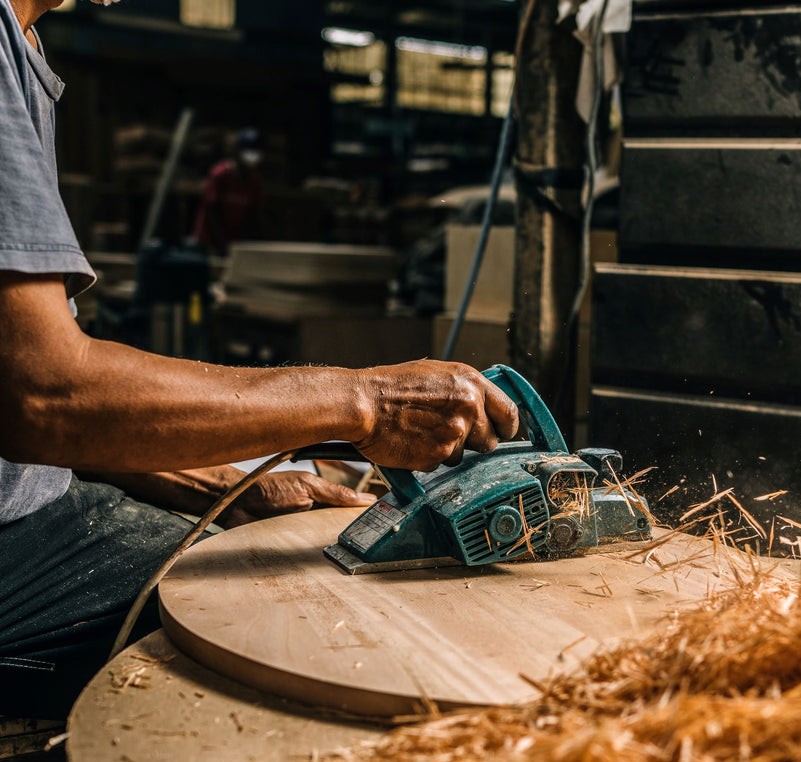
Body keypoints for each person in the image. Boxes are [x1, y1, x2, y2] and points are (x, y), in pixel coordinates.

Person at [0, 0, 519, 720]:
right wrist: (369, 402)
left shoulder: (20, 42)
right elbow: (41, 395)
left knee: (248, 547)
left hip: (33, 509)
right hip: (15, 547)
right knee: (301, 621)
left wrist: (222, 483)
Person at [191, 126, 266, 255]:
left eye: (256, 150)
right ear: (237, 151)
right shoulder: (221, 174)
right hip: (209, 242)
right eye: (248, 150)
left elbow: (254, 212)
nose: (253, 155)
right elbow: (212, 210)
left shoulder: (254, 179)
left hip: (233, 245)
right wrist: (221, 244)